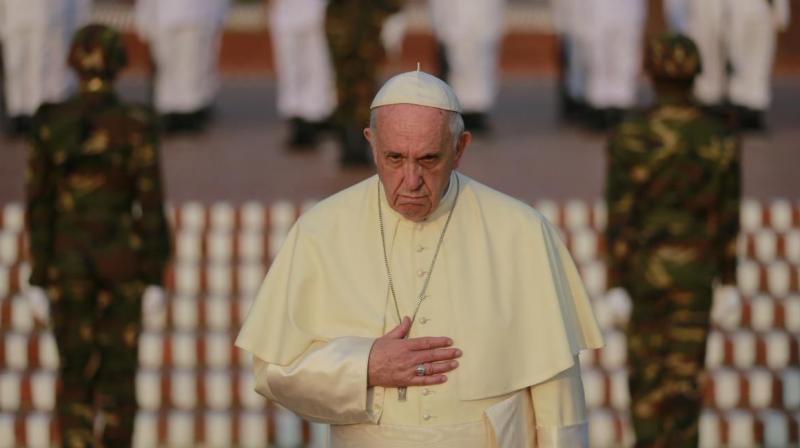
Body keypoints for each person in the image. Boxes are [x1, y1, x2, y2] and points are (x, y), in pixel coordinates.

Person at [236, 69, 604, 446]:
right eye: (394, 158)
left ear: (460, 148)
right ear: (371, 144)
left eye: (428, 159)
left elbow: (557, 392)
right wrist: (363, 365)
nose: (410, 181)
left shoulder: (522, 231)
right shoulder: (319, 230)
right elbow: (273, 371)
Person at [25, 24, 171, 447]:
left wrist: (38, 274)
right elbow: (151, 205)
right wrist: (155, 273)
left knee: (75, 377)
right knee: (119, 381)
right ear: (118, 66)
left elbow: (39, 207)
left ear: (74, 63)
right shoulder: (135, 123)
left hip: (66, 264)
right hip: (121, 264)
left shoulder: (50, 122)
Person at [605, 34, 740, 447]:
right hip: (695, 278)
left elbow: (619, 215)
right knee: (683, 388)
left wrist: (615, 282)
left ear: (651, 73)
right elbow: (726, 216)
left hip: (643, 278)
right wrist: (729, 280)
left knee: (646, 384)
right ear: (696, 73)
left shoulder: (630, 135)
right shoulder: (718, 136)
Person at [685, 0, 791, 130]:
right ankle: (712, 102)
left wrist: (781, 11)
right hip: (719, 8)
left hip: (754, 7)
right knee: (714, 54)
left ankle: (750, 106)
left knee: (755, 57)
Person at [325, 0, 403, 166]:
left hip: (366, 30)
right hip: (342, 30)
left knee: (364, 90)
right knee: (344, 88)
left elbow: (393, 6)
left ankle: (361, 145)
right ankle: (347, 143)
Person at [134, 0, 229, 132]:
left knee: (191, 63)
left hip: (197, 14)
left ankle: (188, 112)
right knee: (166, 63)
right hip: (165, 14)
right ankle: (168, 112)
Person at [0, 0, 91, 134]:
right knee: (16, 66)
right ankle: (19, 113)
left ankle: (46, 112)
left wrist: (81, 22)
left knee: (46, 68)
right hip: (15, 19)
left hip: (50, 17)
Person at [266, 0, 336, 149]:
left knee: (318, 65)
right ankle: (296, 118)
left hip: (317, 11)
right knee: (290, 67)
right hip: (285, 12)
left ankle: (315, 116)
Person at [428, 0, 504, 133]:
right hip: (455, 22)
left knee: (481, 59)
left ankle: (477, 111)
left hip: (481, 21)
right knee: (456, 58)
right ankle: (454, 110)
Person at [584, 0, 646, 130]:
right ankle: (599, 108)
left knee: (626, 54)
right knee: (599, 57)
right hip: (599, 8)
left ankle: (622, 106)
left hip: (628, 8)